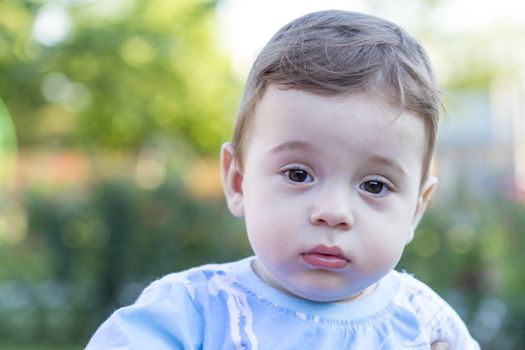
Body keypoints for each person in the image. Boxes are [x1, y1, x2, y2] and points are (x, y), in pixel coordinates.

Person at [86, 10, 480, 349]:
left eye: (374, 185)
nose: (333, 212)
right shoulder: (191, 312)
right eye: (298, 174)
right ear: (239, 182)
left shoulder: (425, 323)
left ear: (416, 209)